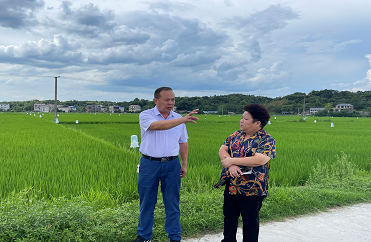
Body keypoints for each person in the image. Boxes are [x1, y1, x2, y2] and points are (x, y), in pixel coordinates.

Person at [134, 87, 199, 242]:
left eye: (173, 99)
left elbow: (183, 142)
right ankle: (144, 236)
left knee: (172, 202)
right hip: (149, 164)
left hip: (172, 164)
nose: (171, 103)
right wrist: (183, 119)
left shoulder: (178, 118)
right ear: (156, 100)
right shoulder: (146, 115)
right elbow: (155, 126)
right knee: (147, 203)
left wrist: (184, 164)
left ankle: (174, 236)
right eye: (167, 99)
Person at [214, 104, 276, 242]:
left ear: (257, 123)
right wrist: (231, 165)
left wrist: (231, 161)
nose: (241, 120)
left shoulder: (267, 139)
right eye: (242, 118)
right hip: (232, 184)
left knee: (250, 221)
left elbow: (260, 159)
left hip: (253, 187)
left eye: (245, 118)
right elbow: (222, 150)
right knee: (229, 218)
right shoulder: (236, 135)